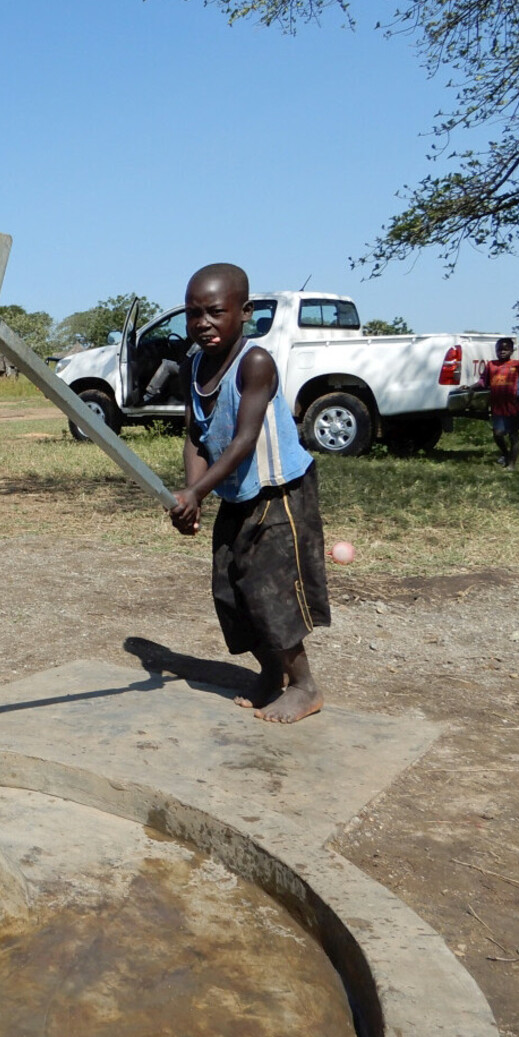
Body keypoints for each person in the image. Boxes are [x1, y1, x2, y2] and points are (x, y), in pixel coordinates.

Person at [168, 264, 330, 724]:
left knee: (270, 592)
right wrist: (190, 493)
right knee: (232, 589)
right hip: (235, 493)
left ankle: (303, 686)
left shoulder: (255, 363)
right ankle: (269, 674)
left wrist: (197, 491)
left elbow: (244, 439)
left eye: (216, 312)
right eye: (193, 314)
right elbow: (196, 436)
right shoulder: (194, 364)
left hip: (278, 494)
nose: (203, 323)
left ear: (245, 313)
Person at [467, 337, 519, 469]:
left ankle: (512, 464)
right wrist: (469, 388)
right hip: (497, 406)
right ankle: (505, 454)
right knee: (497, 433)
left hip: (513, 406)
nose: (502, 352)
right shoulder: (491, 365)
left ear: (511, 351)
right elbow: (483, 382)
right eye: (499, 349)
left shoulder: (517, 365)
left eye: (506, 349)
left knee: (513, 436)